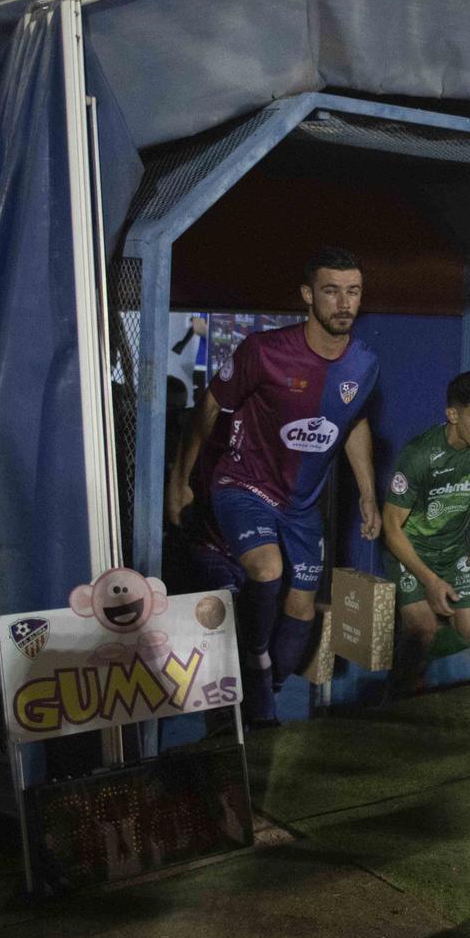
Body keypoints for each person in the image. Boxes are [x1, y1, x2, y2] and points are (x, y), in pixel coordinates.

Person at [167, 248, 382, 725]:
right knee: (266, 569)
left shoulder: (364, 364)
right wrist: (179, 481)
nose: (344, 303)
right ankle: (254, 659)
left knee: (302, 608)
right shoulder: (262, 352)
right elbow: (206, 411)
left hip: (302, 504)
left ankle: (264, 691)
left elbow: (354, 423)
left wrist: (368, 492)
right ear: (308, 295)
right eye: (331, 291)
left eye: (353, 291)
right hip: (243, 482)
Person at [382, 373, 470, 661]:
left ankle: (414, 658)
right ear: (452, 414)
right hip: (410, 551)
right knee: (424, 631)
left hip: (453, 552)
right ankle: (400, 673)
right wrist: (430, 581)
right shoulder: (419, 455)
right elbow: (391, 528)